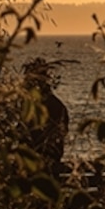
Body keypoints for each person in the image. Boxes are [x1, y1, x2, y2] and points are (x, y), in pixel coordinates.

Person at [20, 55, 70, 184]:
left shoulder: (30, 106)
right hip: (53, 168)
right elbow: (63, 134)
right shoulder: (59, 106)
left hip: (33, 169)